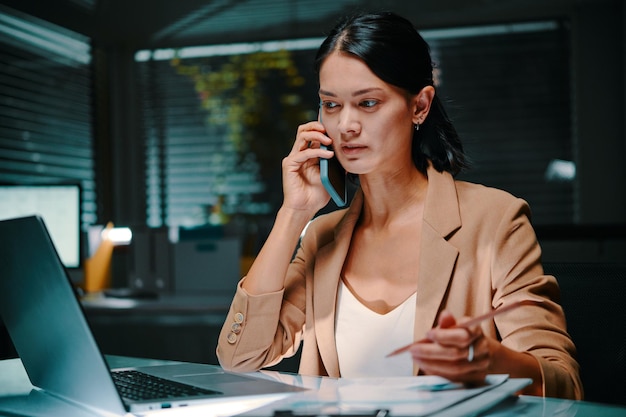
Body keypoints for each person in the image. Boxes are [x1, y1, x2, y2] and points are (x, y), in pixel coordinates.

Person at [216, 11, 583, 400]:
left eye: (368, 103)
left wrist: (492, 361)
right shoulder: (322, 238)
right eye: (331, 105)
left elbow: (565, 384)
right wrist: (293, 214)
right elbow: (240, 357)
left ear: (420, 106)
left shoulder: (495, 220)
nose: (347, 126)